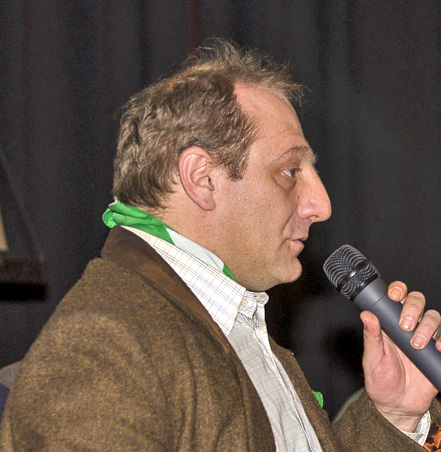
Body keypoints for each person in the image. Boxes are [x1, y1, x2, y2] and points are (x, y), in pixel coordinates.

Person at [1, 39, 440, 451]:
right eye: (290, 171)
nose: (321, 205)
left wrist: (395, 415)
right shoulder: (102, 344)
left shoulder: (231, 320)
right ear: (202, 178)